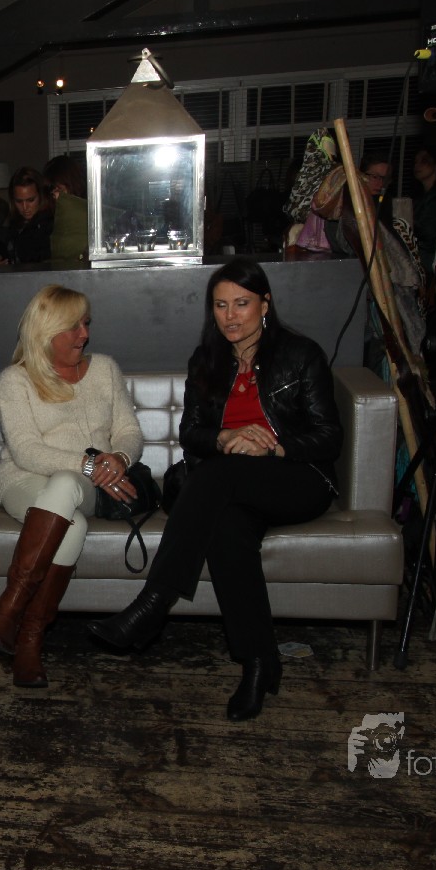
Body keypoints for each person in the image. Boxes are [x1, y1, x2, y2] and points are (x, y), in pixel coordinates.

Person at [87, 258, 342, 721]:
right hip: (232, 486)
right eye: (221, 305)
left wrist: (274, 447)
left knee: (215, 476)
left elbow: (329, 437)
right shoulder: (206, 360)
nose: (230, 316)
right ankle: (259, 663)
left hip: (297, 477)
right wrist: (224, 437)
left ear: (265, 304)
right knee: (227, 526)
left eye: (241, 303)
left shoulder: (301, 354)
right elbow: (191, 433)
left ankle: (152, 604)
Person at [0, 285, 143, 687]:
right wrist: (88, 464)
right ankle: (30, 641)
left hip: (85, 484)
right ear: (46, 330)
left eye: (86, 324)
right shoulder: (16, 379)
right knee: (75, 523)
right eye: (73, 326)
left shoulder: (104, 369)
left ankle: (8, 612)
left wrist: (119, 459)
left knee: (66, 483)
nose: (84, 334)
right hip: (23, 480)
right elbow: (26, 452)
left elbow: (129, 431)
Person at [0, 166, 54, 264]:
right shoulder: (16, 224)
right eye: (19, 201)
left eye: (30, 200)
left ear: (41, 196)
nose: (25, 207)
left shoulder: (49, 225)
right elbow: (10, 251)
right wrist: (0, 257)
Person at [44, 155, 88, 263]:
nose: (55, 195)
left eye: (59, 190)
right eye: (52, 190)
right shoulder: (47, 218)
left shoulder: (87, 214)